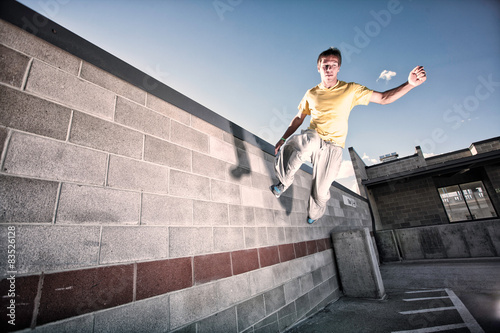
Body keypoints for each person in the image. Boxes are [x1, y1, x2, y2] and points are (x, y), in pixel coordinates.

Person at [270, 47, 427, 224]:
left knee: (321, 192)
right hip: (315, 137)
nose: (329, 69)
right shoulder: (311, 93)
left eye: (333, 65)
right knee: (307, 142)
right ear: (318, 68)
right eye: (325, 65)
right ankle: (283, 183)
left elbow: (383, 98)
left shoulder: (350, 89)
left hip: (334, 147)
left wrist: (410, 84)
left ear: (338, 68)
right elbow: (299, 118)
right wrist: (283, 138)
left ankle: (314, 214)